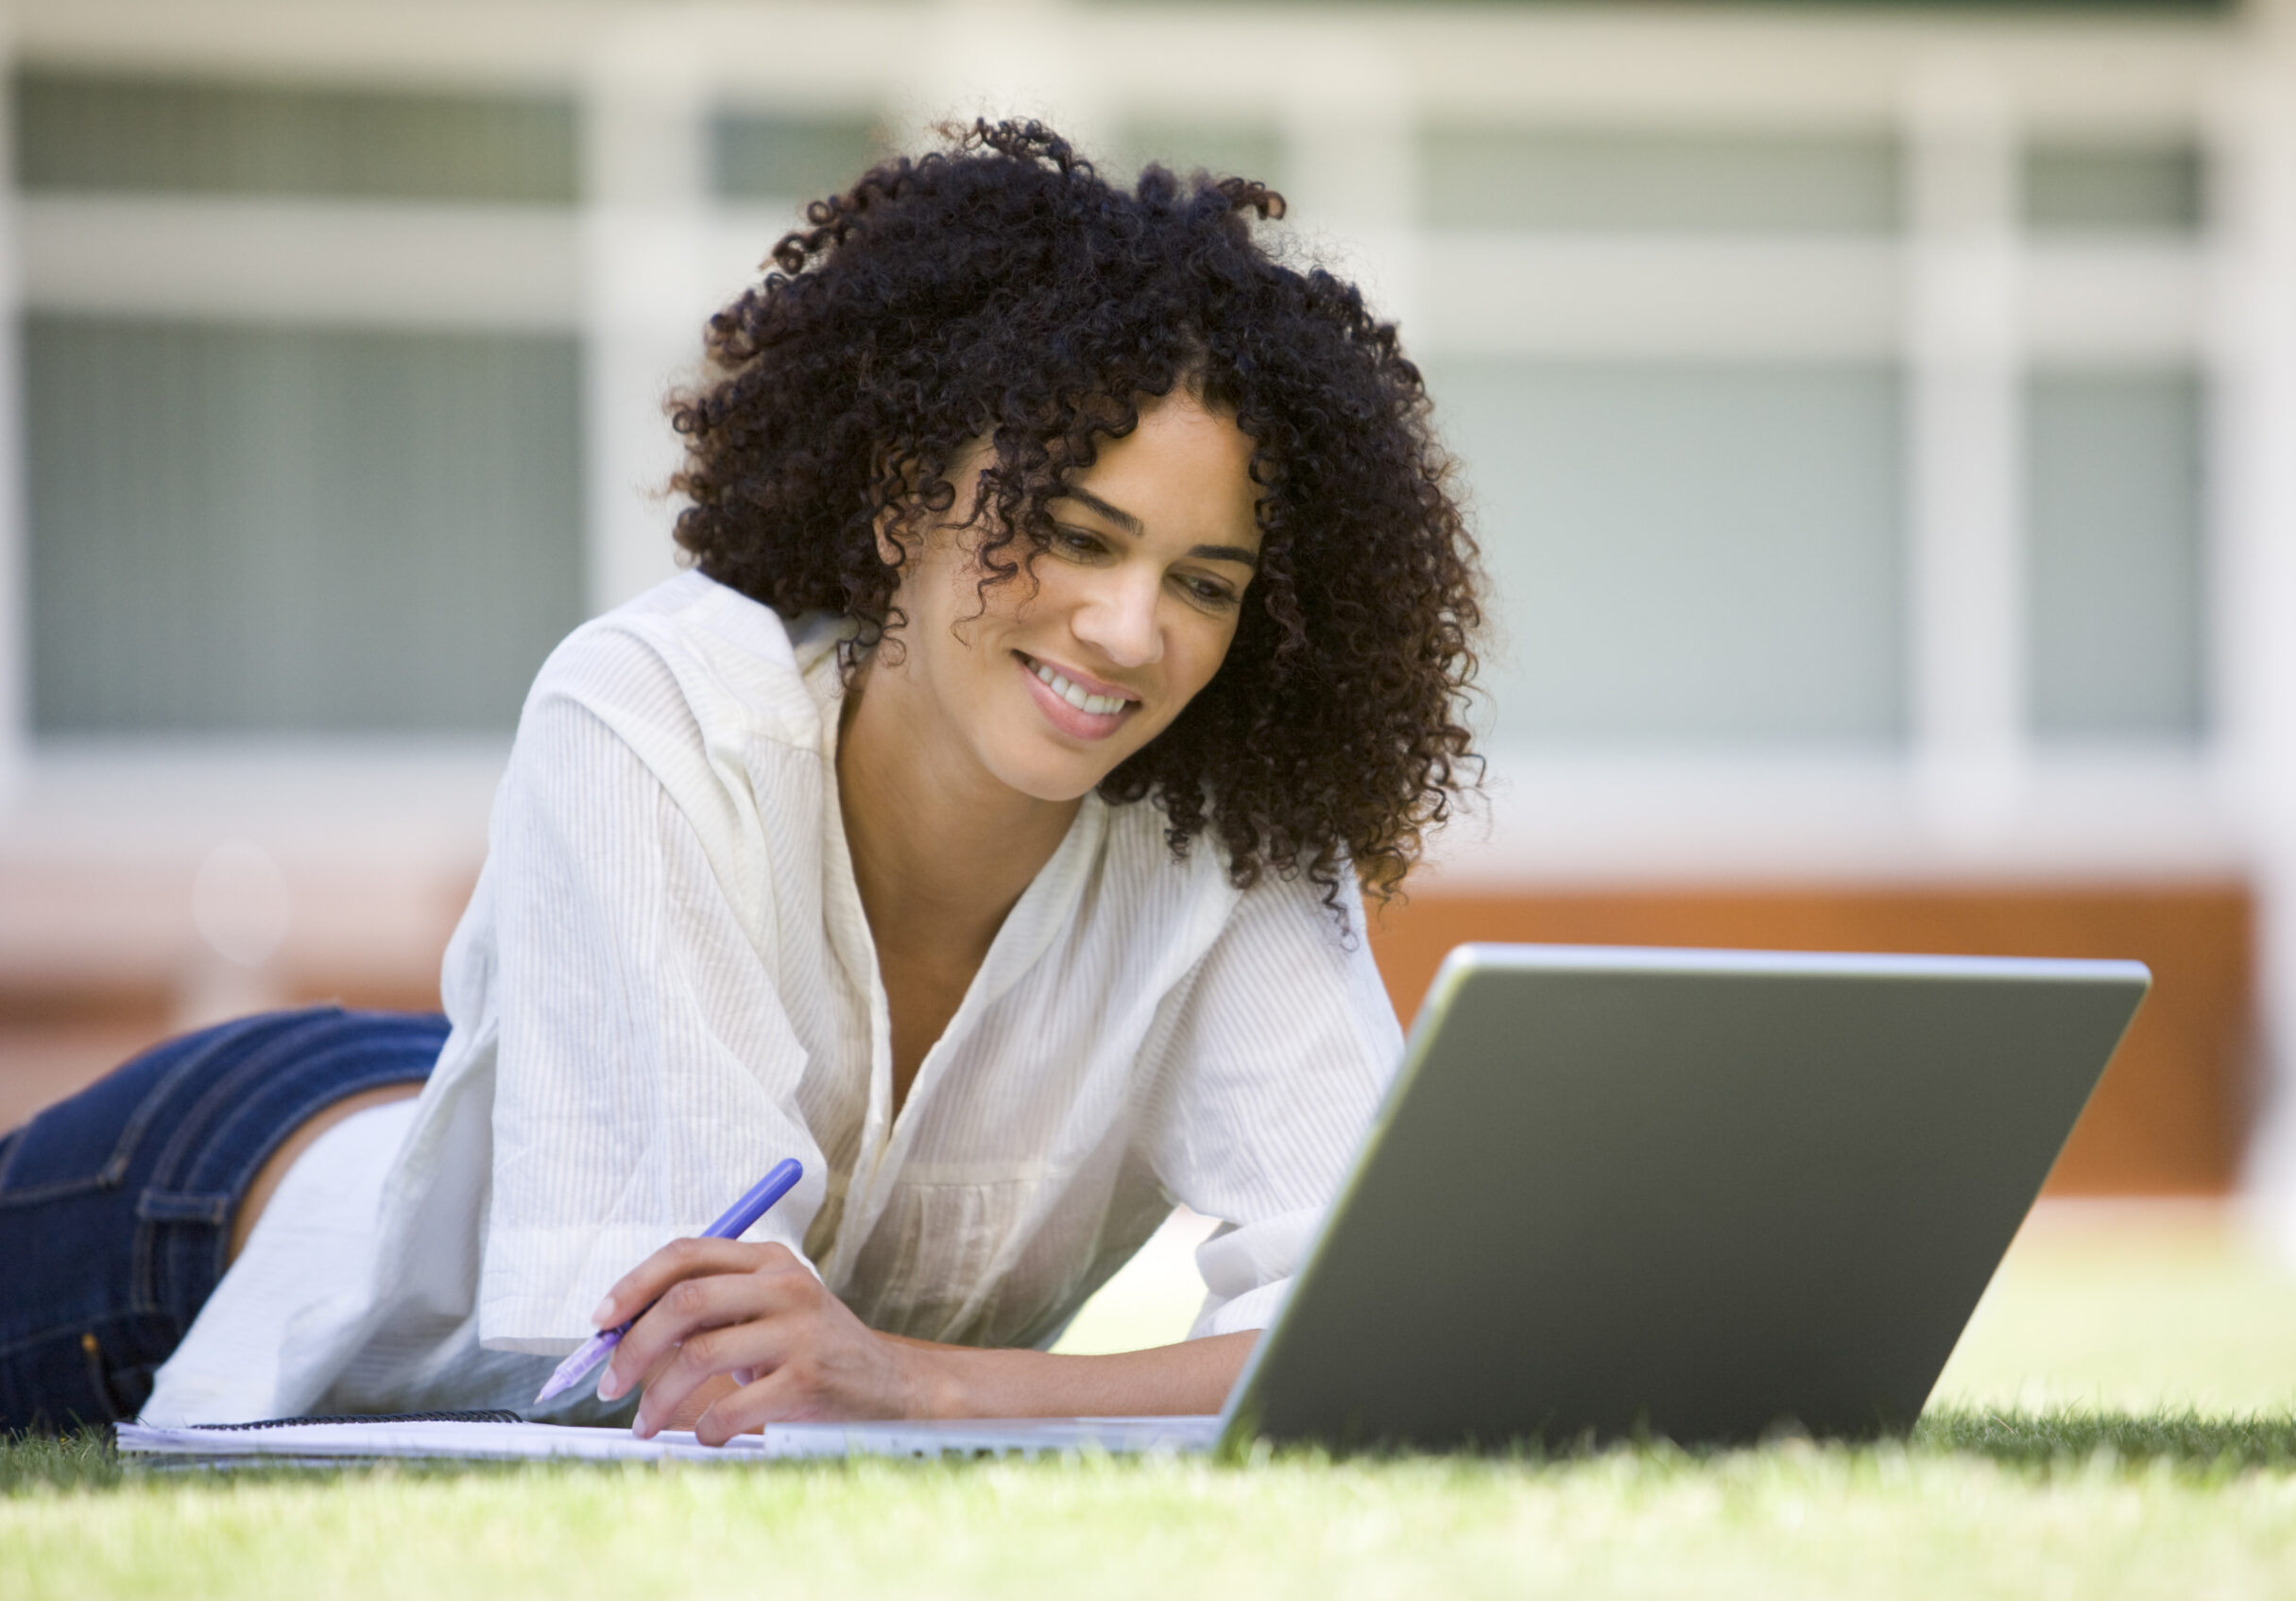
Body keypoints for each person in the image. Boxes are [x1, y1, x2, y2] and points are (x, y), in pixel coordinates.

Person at [0, 119, 1482, 1442]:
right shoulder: (657, 717)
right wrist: (905, 1380)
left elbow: (1380, 1328)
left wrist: (921, 1382)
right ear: (908, 496)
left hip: (508, 1087)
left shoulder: (1229, 838)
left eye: (1205, 584)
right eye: (1078, 536)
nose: (1130, 629)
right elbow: (706, 1372)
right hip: (218, 1199)